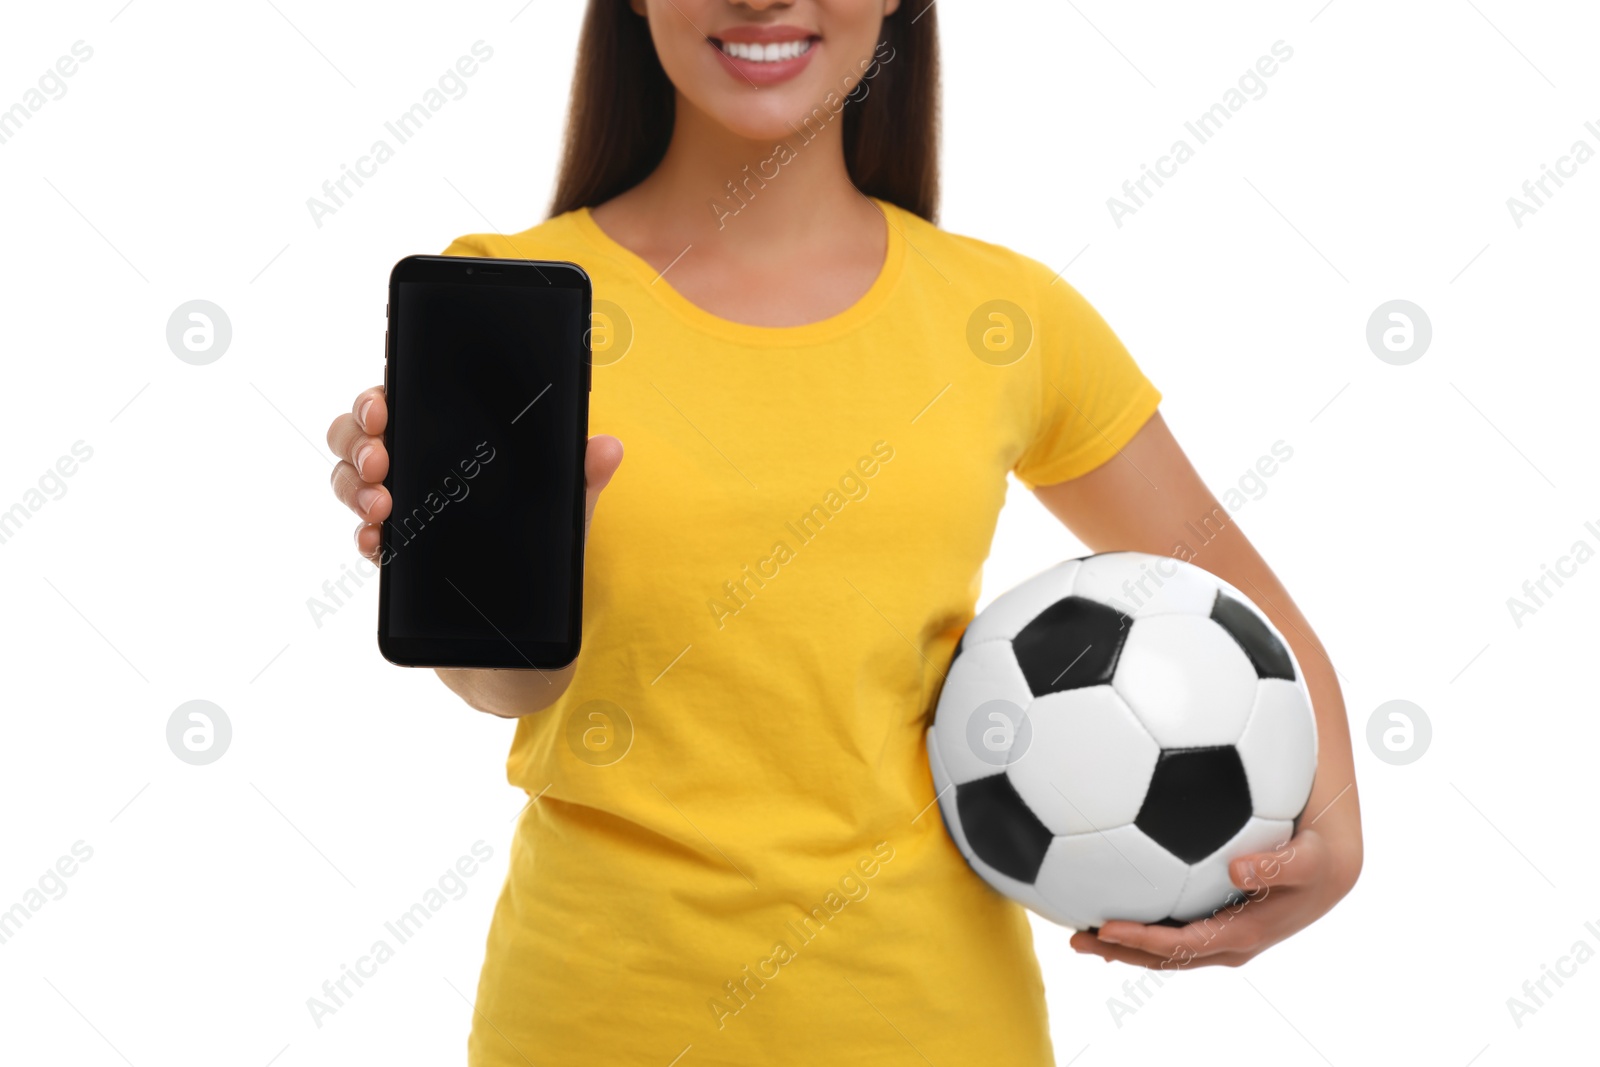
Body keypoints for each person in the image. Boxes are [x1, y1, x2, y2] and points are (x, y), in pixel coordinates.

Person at [325, 2, 1363, 1063]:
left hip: (932, 1023)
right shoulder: (511, 299)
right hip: (596, 1020)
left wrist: (1337, 835)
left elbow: (1248, 613)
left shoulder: (1005, 316)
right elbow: (503, 688)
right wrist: (492, 574)